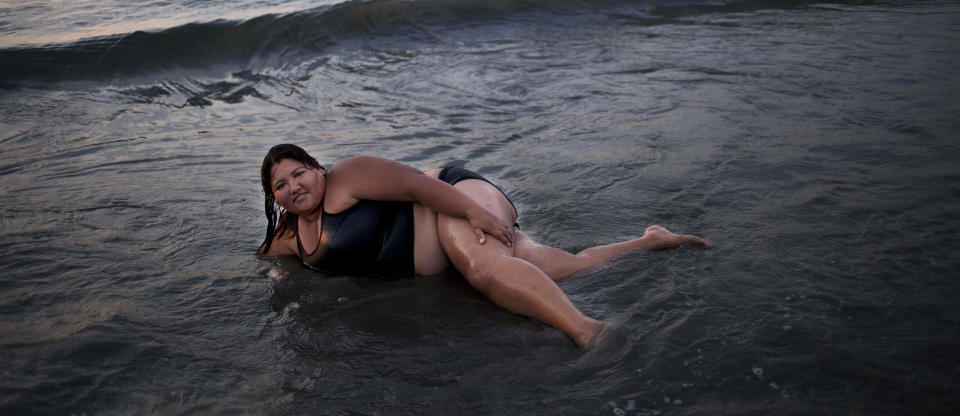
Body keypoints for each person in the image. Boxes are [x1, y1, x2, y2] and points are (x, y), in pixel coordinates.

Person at [258, 143, 709, 349]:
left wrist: (475, 212)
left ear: (317, 168)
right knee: (560, 266)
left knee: (484, 268)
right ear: (274, 197)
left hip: (453, 198)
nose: (294, 186)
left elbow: (417, 184)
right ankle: (650, 241)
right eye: (281, 184)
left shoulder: (350, 174)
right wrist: (280, 280)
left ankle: (587, 331)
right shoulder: (289, 238)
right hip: (444, 236)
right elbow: (268, 269)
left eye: (299, 172)